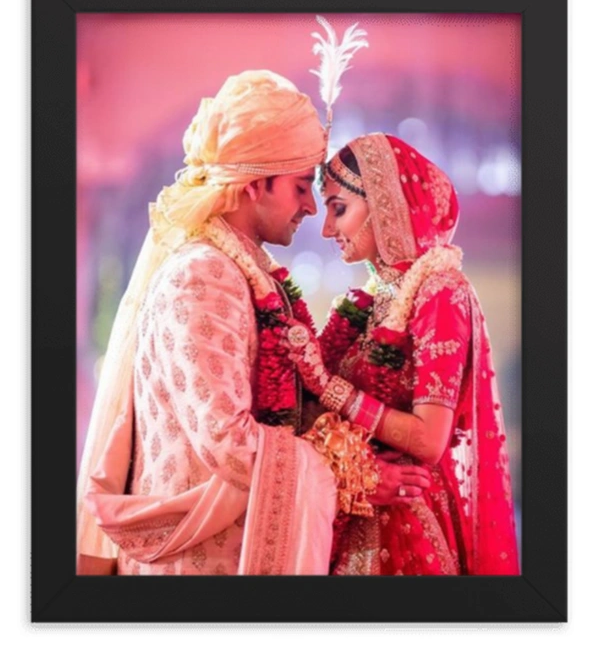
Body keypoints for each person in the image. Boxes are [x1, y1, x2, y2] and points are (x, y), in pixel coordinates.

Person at [76, 73, 430, 576]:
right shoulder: (202, 275)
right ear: (255, 185)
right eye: (301, 186)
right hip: (195, 567)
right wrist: (357, 474)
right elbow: (229, 442)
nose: (311, 207)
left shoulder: (245, 272)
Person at [285, 132, 519, 575]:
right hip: (356, 506)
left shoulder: (441, 292)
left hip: (408, 517)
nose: (327, 229)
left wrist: (329, 387)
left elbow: (429, 440)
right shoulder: (372, 299)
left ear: (385, 203)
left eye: (339, 209)